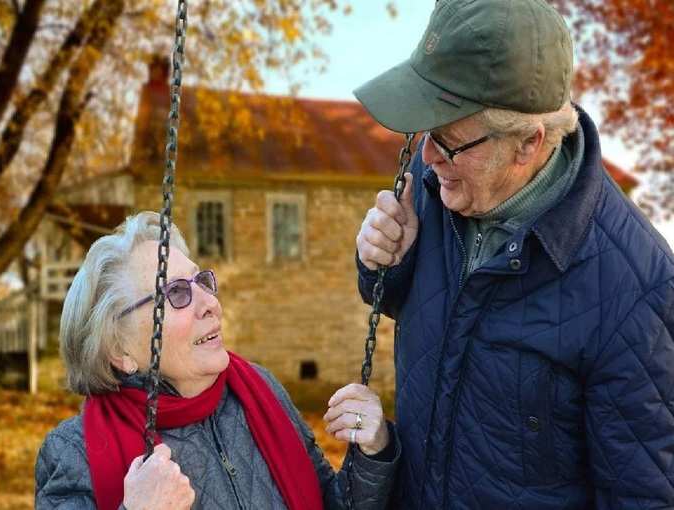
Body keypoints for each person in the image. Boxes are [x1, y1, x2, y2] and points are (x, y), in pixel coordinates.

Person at [353, 0, 674, 508]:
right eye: (425, 134)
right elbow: (400, 302)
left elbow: (643, 493)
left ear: (528, 144)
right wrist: (383, 262)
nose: (428, 157)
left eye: (449, 142)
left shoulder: (637, 291)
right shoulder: (443, 178)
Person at [35, 211, 399, 510]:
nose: (209, 302)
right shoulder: (73, 452)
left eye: (202, 281)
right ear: (120, 350)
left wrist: (371, 452)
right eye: (176, 293)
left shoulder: (259, 392)